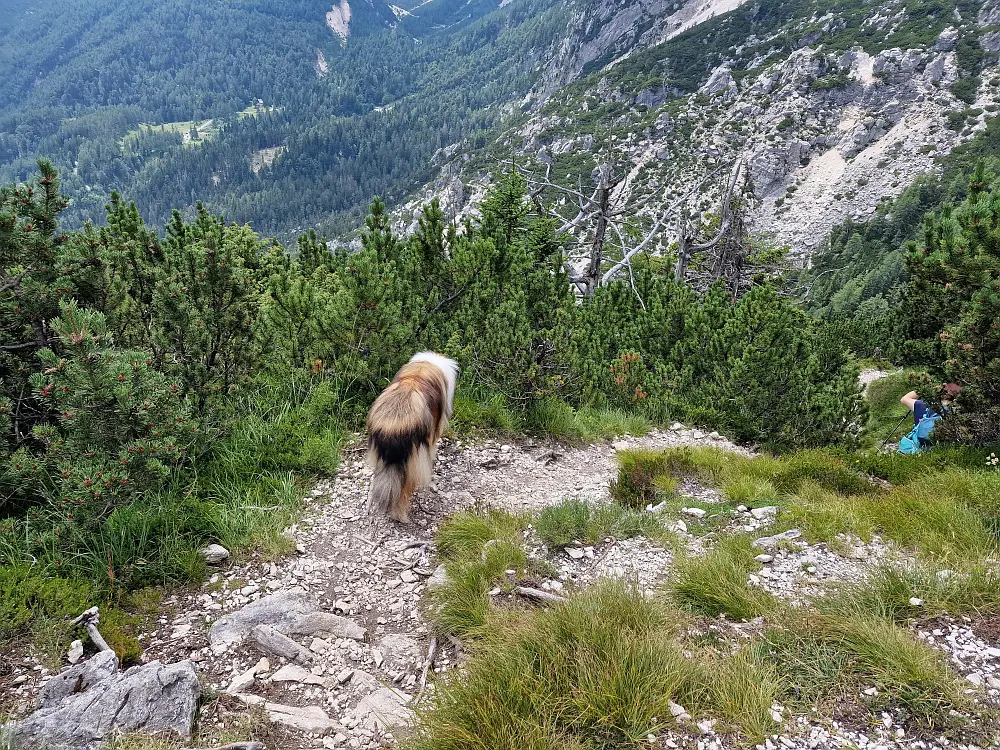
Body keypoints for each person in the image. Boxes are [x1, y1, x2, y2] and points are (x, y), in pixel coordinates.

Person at [897, 383, 961, 452]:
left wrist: (930, 388)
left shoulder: (922, 405)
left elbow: (904, 399)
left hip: (917, 448)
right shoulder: (960, 411)